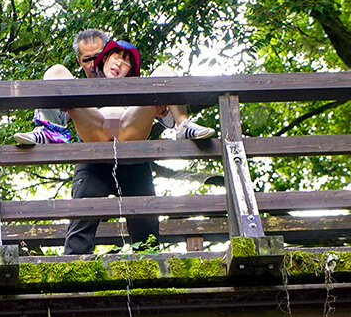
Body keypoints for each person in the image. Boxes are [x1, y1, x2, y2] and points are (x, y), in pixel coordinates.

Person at [13, 29, 214, 144]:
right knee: (56, 71)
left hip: (128, 131)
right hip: (97, 133)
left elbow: (164, 116)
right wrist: (65, 105)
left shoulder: (136, 85)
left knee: (163, 72)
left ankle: (184, 125)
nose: (94, 63)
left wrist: (160, 105)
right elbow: (63, 112)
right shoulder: (76, 86)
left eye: (123, 61)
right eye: (88, 59)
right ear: (80, 61)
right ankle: (49, 132)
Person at [62, 40, 161, 254]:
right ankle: (74, 263)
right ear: (105, 59)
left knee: (146, 226)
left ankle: (150, 265)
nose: (118, 64)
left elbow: (158, 113)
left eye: (125, 62)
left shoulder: (136, 90)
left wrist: (160, 108)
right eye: (115, 57)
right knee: (82, 222)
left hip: (132, 157)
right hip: (95, 158)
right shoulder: (84, 87)